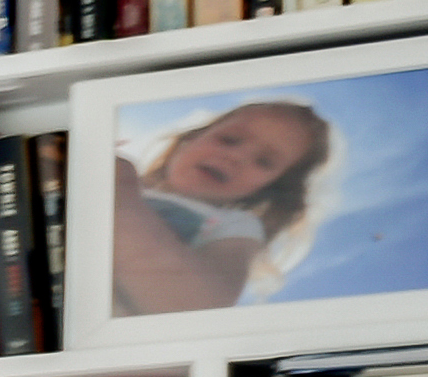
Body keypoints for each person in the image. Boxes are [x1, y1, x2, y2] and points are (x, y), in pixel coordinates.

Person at [113, 93, 334, 310]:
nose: (235, 157)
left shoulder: (235, 225)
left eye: (264, 161)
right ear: (189, 140)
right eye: (228, 140)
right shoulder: (120, 181)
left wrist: (124, 202)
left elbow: (200, 305)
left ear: (269, 189)